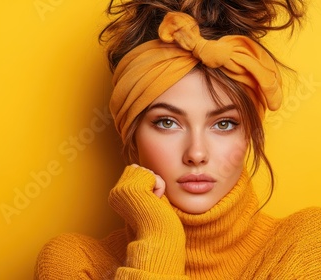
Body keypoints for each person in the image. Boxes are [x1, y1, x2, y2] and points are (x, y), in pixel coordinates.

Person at [34, 0, 321, 279]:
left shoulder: (305, 244)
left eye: (223, 124)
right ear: (131, 133)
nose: (196, 154)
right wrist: (159, 238)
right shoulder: (76, 263)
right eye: (167, 122)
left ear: (249, 133)